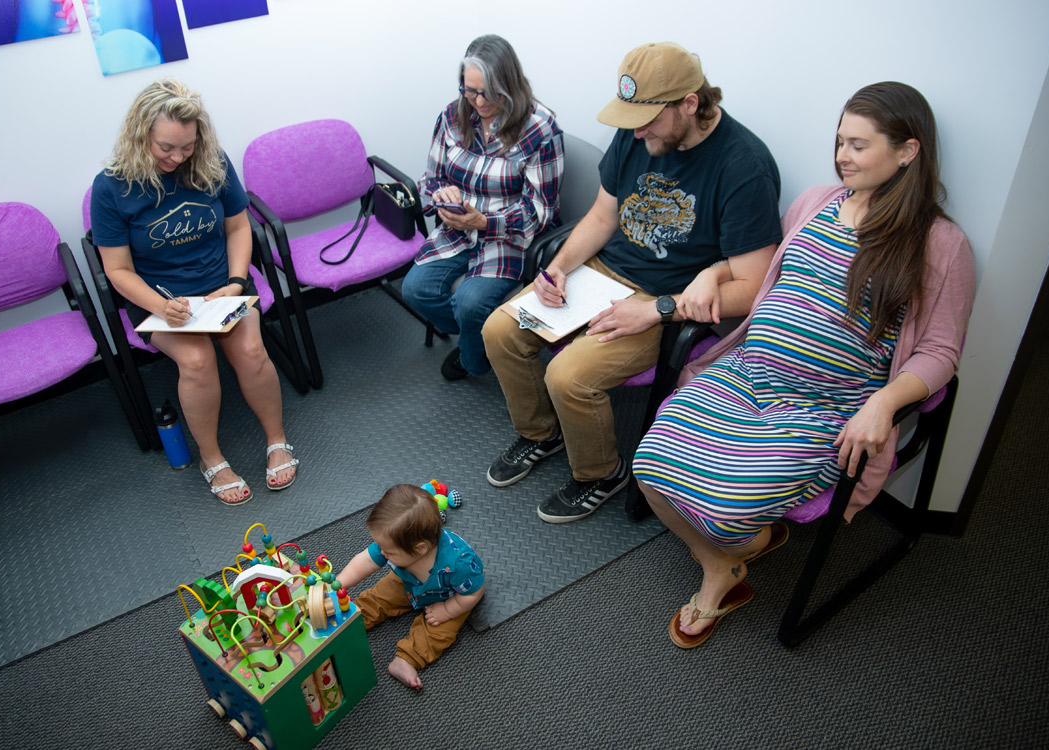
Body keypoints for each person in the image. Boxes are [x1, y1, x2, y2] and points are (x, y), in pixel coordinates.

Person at [632, 82, 976, 648]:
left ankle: (736, 547)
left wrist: (884, 405)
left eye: (859, 145)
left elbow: (940, 350)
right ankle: (723, 567)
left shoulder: (939, 243)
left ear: (908, 151)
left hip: (826, 406)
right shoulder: (816, 202)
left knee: (728, 510)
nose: (842, 155)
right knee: (650, 467)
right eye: (840, 141)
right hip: (746, 373)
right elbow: (760, 273)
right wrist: (713, 275)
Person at [480, 42, 782, 523]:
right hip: (605, 273)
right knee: (498, 330)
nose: (636, 132)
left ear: (689, 103)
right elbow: (602, 217)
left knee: (568, 375)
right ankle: (543, 435)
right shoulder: (636, 132)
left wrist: (658, 309)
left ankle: (601, 472)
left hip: (668, 302)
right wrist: (559, 266)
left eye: (648, 120)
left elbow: (751, 287)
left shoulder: (744, 168)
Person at [90, 79, 297, 505]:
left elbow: (239, 227)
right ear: (140, 133)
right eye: (166, 147)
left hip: (223, 283)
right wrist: (162, 306)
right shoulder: (112, 187)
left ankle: (277, 440)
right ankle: (212, 458)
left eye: (186, 147)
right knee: (198, 360)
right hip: (159, 298)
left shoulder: (212, 162)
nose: (177, 157)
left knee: (252, 350)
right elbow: (117, 269)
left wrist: (237, 282)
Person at [405, 34, 564, 381]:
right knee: (414, 290)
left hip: (508, 236)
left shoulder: (540, 128)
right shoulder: (452, 115)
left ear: (509, 84)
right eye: (469, 90)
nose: (478, 102)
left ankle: (474, 361)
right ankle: (478, 340)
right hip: (457, 230)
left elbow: (540, 210)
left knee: (471, 303)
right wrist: (440, 197)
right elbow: (428, 180)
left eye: (488, 93)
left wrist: (484, 222)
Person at [336, 484, 485, 689]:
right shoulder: (393, 543)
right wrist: (337, 584)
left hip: (449, 597)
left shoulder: (459, 564)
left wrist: (447, 610)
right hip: (408, 581)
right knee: (379, 596)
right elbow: (365, 561)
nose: (382, 553)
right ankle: (349, 619)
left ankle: (407, 659)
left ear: (420, 549)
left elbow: (474, 592)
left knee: (440, 632)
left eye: (388, 551)